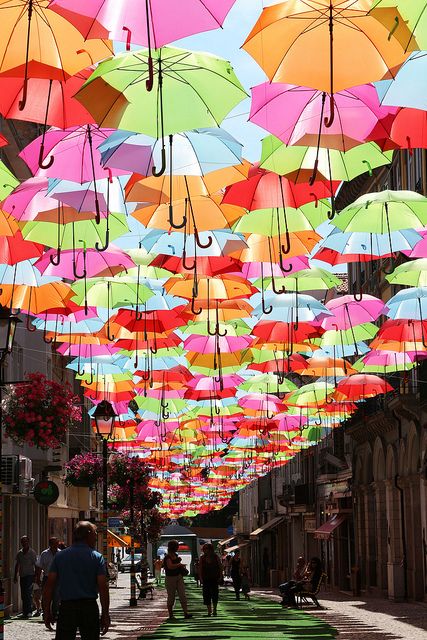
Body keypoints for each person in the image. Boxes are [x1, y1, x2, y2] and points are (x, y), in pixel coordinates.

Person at [43, 521, 110, 639]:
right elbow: (103, 588)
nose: (95, 538)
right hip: (88, 608)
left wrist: (47, 610)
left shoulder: (60, 556)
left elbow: (49, 585)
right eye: (94, 534)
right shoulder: (96, 557)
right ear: (88, 535)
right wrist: (105, 614)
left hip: (67, 608)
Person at [163, 539, 193, 621]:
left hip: (178, 577)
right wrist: (179, 564)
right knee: (171, 596)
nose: (177, 548)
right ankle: (171, 615)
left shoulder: (175, 555)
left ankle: (186, 613)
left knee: (182, 595)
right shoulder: (167, 557)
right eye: (176, 546)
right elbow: (170, 566)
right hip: (170, 578)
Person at [14, 535, 38, 619]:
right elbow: (17, 564)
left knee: (28, 593)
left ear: (28, 542)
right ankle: (25, 611)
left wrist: (36, 576)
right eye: (22, 542)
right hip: (22, 575)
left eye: (25, 541)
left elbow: (36, 564)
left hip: (30, 575)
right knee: (23, 594)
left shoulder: (32, 552)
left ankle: (29, 611)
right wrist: (15, 575)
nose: (24, 543)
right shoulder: (19, 553)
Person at [37, 537, 60, 621]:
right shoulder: (44, 554)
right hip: (47, 578)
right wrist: (38, 578)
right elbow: (39, 566)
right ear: (50, 544)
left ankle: (55, 613)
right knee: (46, 596)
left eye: (57, 543)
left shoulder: (60, 553)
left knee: (56, 596)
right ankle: (46, 613)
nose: (55, 545)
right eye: (54, 543)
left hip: (57, 578)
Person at [199, 543, 222, 617]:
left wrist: (221, 576)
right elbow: (200, 569)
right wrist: (200, 578)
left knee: (215, 594)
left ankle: (214, 609)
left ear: (210, 549)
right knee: (206, 594)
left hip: (214, 578)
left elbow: (220, 567)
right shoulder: (202, 558)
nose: (205, 550)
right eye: (204, 549)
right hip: (206, 578)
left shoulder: (216, 557)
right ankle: (209, 611)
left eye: (207, 549)